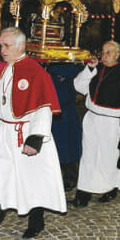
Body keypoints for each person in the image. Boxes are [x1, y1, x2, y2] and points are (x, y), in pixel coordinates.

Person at [0, 27, 65, 240]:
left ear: (21, 46)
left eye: (7, 46)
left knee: (32, 179)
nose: (2, 50)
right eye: (0, 45)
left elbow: (43, 107)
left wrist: (36, 137)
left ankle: (36, 222)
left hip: (27, 131)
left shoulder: (35, 72)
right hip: (4, 133)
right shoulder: (0, 69)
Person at [70, 41, 120, 207]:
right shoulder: (97, 69)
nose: (104, 56)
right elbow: (79, 86)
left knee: (108, 157)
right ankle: (84, 191)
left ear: (117, 55)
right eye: (103, 52)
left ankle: (110, 188)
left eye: (109, 52)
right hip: (92, 119)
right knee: (89, 156)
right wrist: (90, 69)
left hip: (111, 123)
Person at [47, 63, 84, 192]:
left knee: (68, 146)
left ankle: (70, 178)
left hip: (66, 112)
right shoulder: (46, 68)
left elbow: (78, 71)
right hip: (49, 111)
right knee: (53, 146)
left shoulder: (68, 67)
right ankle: (53, 177)